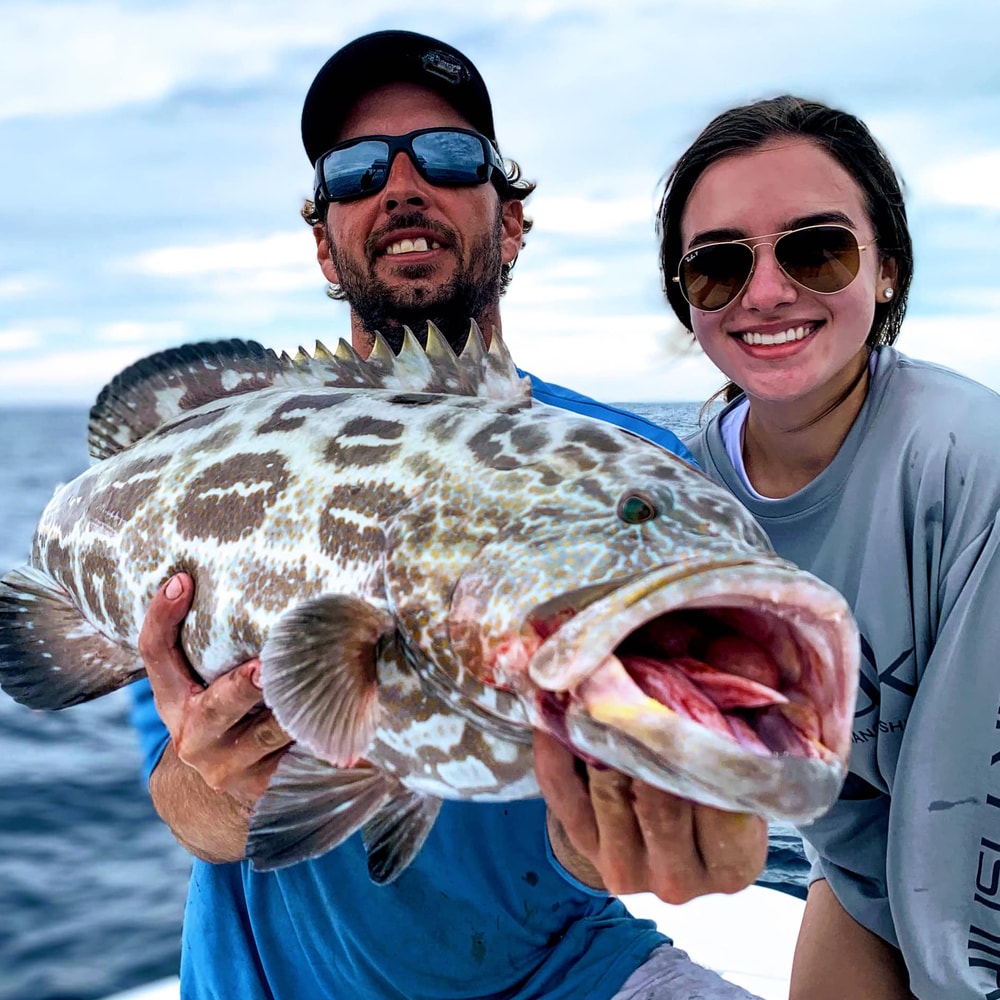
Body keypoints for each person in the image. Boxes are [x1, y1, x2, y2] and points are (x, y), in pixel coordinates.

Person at [130, 30, 769, 1000]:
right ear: (322, 240)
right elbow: (187, 812)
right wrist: (215, 775)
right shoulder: (226, 485)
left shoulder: (640, 480)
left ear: (510, 223)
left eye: (448, 156)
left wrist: (639, 825)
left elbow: (643, 809)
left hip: (565, 967)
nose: (400, 185)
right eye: (354, 170)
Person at [657, 94, 1000, 999]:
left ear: (886, 269)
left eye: (816, 248)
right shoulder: (680, 497)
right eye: (719, 266)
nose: (767, 291)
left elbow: (968, 804)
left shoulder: (970, 463)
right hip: (865, 872)